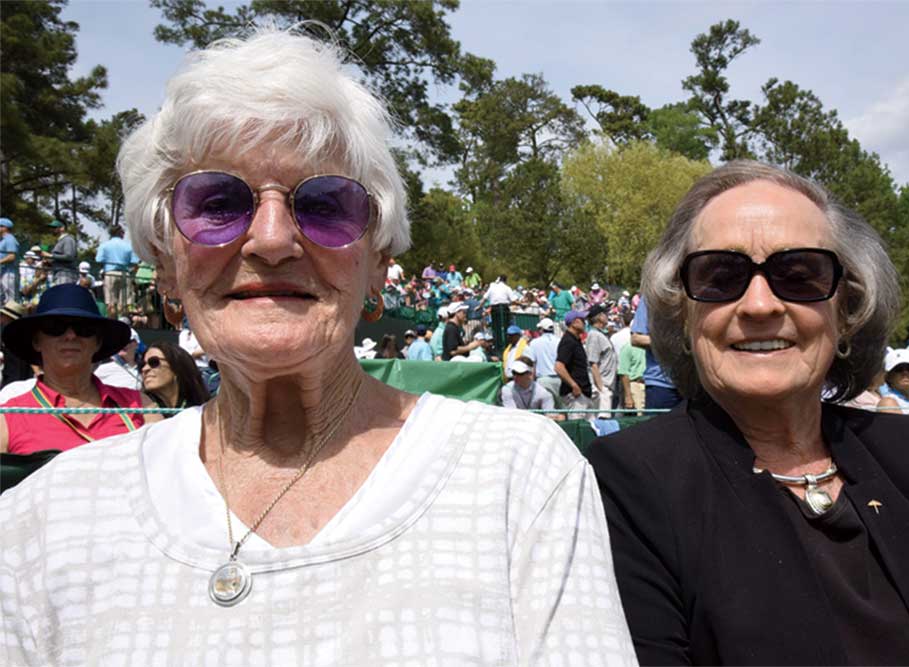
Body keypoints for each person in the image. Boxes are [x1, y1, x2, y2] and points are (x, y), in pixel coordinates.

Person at [0, 28, 634, 664]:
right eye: (218, 202)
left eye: (326, 204)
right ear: (165, 262)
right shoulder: (45, 521)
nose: (271, 241)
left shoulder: (517, 479)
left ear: (378, 265)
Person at [587, 161, 909, 665]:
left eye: (800, 276)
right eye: (720, 277)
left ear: (847, 313)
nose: (760, 305)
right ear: (683, 313)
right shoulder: (629, 483)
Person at [0, 284, 160, 455]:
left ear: (97, 342)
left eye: (84, 328)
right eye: (55, 327)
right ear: (36, 341)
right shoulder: (8, 418)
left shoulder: (140, 405)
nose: (70, 335)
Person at [630, 295, 682, 409]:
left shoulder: (695, 292)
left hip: (694, 385)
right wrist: (670, 343)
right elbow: (636, 338)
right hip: (661, 384)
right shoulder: (649, 298)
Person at [141, 341, 210, 411]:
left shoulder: (202, 410)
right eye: (142, 364)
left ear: (176, 367)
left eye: (154, 362)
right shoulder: (139, 409)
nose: (144, 369)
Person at [96, 225, 140, 319]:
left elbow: (99, 260)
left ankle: (112, 324)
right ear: (120, 233)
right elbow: (134, 262)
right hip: (125, 274)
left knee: (110, 303)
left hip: (110, 273)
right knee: (124, 304)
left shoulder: (104, 245)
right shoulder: (128, 246)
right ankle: (123, 323)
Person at [556, 309, 594, 419]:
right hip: (576, 395)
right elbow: (559, 366)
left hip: (584, 393)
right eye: (582, 320)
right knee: (578, 428)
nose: (585, 323)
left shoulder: (575, 341)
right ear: (575, 322)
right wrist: (573, 385)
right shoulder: (568, 341)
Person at [585, 304, 617, 418]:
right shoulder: (594, 335)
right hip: (602, 386)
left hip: (607, 385)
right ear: (599, 317)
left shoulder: (600, 334)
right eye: (605, 313)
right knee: (603, 423)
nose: (607, 315)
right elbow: (593, 364)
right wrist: (601, 389)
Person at [529, 317, 561, 401]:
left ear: (541, 329)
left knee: (545, 410)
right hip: (560, 379)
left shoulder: (534, 343)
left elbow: (533, 364)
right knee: (562, 410)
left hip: (542, 380)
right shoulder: (560, 341)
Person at [479, 274, 515, 345]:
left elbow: (484, 298)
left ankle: (498, 344)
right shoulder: (507, 288)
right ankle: (505, 344)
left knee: (495, 327)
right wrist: (520, 303)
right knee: (506, 326)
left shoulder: (492, 288)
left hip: (494, 309)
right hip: (504, 308)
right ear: (505, 280)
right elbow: (513, 300)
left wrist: (479, 306)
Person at [42, 219, 78, 285]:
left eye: (54, 228)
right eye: (51, 228)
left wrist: (50, 256)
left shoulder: (68, 240)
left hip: (66, 275)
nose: (52, 230)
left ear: (62, 228)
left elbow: (69, 256)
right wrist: (49, 261)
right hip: (59, 274)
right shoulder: (60, 241)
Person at [0, 218, 19, 304]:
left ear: (5, 228)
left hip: (9, 273)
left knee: (10, 300)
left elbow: (12, 256)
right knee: (5, 298)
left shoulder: (10, 239)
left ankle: (12, 317)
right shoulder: (4, 240)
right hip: (4, 272)